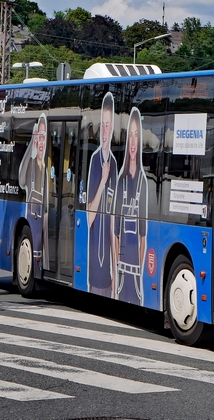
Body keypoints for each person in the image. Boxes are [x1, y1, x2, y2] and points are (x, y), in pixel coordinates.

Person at [114, 108, 147, 306]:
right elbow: (116, 231)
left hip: (135, 278)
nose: (133, 141)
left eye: (137, 135)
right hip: (122, 274)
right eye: (130, 135)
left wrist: (140, 271)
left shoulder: (143, 181)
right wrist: (118, 266)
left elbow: (143, 236)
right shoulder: (121, 180)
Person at [86, 92, 118, 297]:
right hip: (95, 271)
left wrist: (115, 271)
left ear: (113, 127)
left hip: (109, 270)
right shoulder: (95, 161)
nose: (105, 131)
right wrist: (102, 182)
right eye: (102, 125)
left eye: (109, 125)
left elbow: (114, 218)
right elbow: (89, 217)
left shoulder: (114, 164)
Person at [17, 116, 48, 265]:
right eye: (39, 137)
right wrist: (31, 146)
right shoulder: (31, 165)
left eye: (43, 137)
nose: (41, 142)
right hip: (32, 218)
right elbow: (22, 180)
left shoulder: (49, 169)